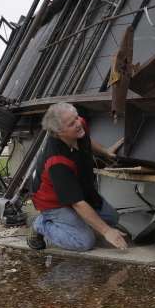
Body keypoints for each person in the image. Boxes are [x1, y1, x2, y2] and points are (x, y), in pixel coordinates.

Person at [27, 102, 127, 252]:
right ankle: (40, 224)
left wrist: (105, 151)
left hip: (79, 188)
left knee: (112, 218)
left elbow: (86, 139)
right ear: (59, 132)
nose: (78, 123)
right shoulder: (57, 161)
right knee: (84, 242)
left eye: (76, 118)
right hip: (53, 202)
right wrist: (106, 232)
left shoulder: (78, 126)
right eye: (71, 123)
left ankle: (73, 222)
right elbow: (77, 202)